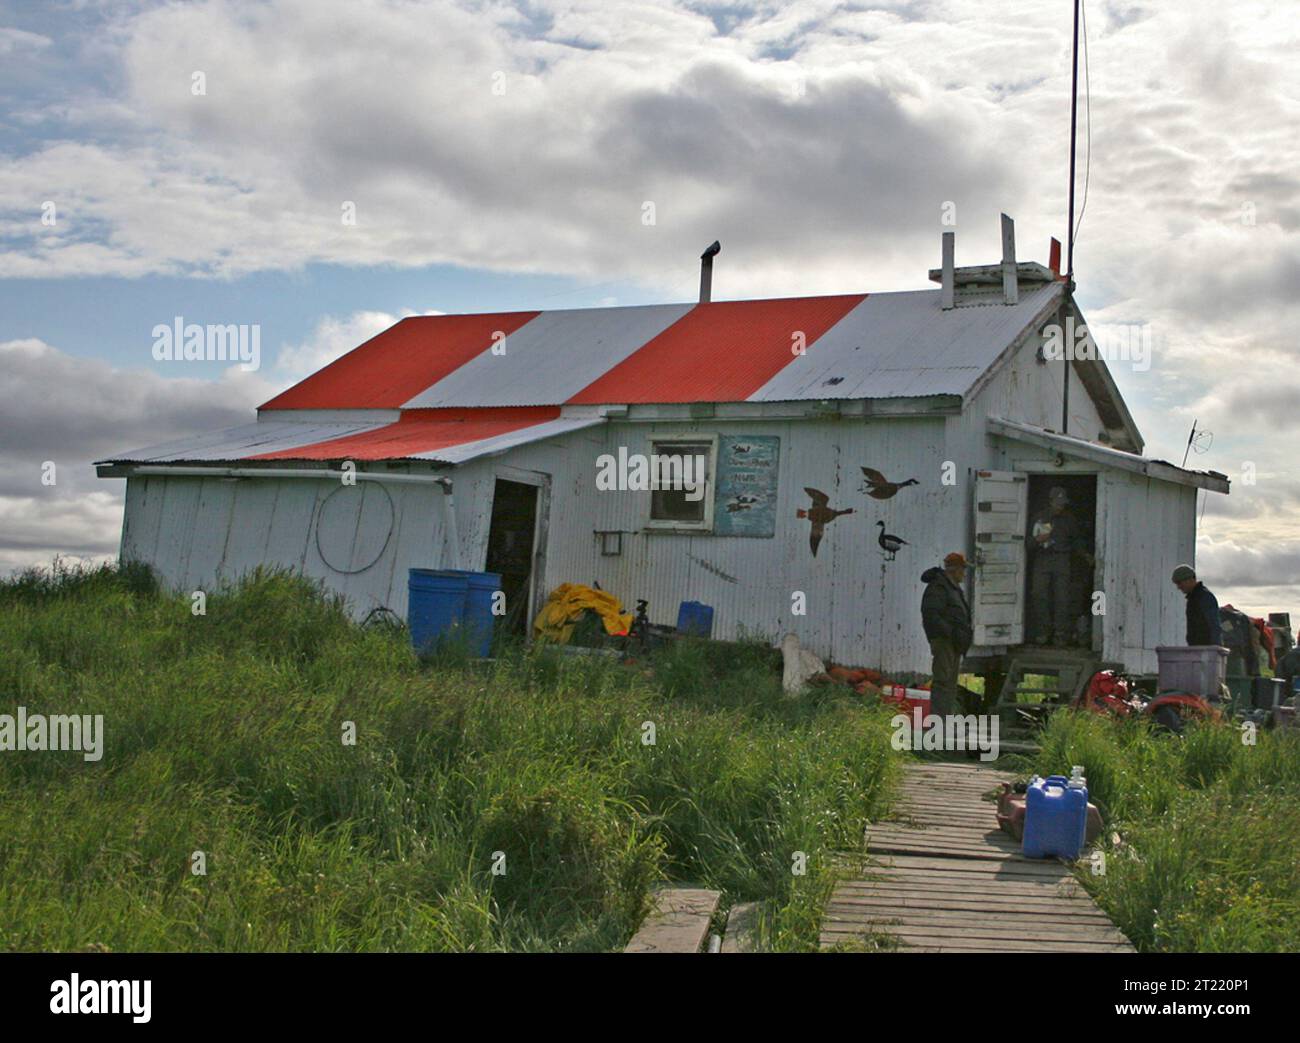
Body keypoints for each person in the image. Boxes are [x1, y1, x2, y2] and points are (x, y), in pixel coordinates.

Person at [1027, 486, 1084, 645]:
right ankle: (1043, 632)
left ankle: (1060, 633)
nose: (1060, 506)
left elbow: (1077, 541)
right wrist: (1038, 540)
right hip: (1042, 558)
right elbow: (1028, 543)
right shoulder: (1040, 518)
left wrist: (1086, 556)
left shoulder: (1069, 519)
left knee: (1062, 597)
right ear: (1051, 501)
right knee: (1039, 594)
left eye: (1063, 503)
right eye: (1058, 503)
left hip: (1062, 559)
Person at [921, 552, 973, 718]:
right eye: (963, 569)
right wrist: (951, 633)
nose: (964, 574)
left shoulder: (952, 588)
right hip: (944, 642)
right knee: (943, 682)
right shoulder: (939, 587)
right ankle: (938, 722)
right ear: (955, 570)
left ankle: (945, 720)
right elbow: (931, 615)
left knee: (950, 684)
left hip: (953, 643)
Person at [1171, 564, 1222, 646]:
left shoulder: (1204, 597)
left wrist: (1214, 649)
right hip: (1199, 650)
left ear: (1190, 579)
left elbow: (1213, 625)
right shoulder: (1194, 598)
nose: (1179, 587)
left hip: (1205, 651)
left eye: (1180, 583)